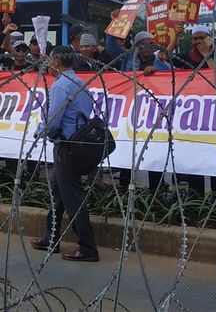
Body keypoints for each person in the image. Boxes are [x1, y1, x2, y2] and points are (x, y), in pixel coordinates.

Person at [30, 46, 99, 262]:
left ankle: (88, 247)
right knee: (58, 193)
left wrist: (38, 132)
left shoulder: (60, 86)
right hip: (76, 143)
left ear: (57, 61)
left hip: (65, 146)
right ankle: (50, 237)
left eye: (50, 59)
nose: (47, 63)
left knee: (72, 196)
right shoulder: (80, 83)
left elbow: (52, 122)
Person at [105, 31, 171, 192]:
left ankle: (156, 188)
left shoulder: (161, 63)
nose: (148, 47)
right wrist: (116, 25)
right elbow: (111, 47)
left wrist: (155, 71)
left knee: (154, 148)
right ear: (136, 45)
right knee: (128, 145)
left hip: (152, 113)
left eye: (151, 43)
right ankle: (125, 184)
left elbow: (170, 81)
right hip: (130, 111)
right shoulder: (127, 59)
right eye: (144, 43)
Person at [171, 25, 216, 197]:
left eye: (202, 38)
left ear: (210, 39)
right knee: (194, 155)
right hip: (191, 114)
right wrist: (176, 34)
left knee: (215, 157)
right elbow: (164, 56)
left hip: (214, 114)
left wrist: (206, 55)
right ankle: (196, 198)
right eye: (195, 39)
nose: (198, 42)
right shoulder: (186, 57)